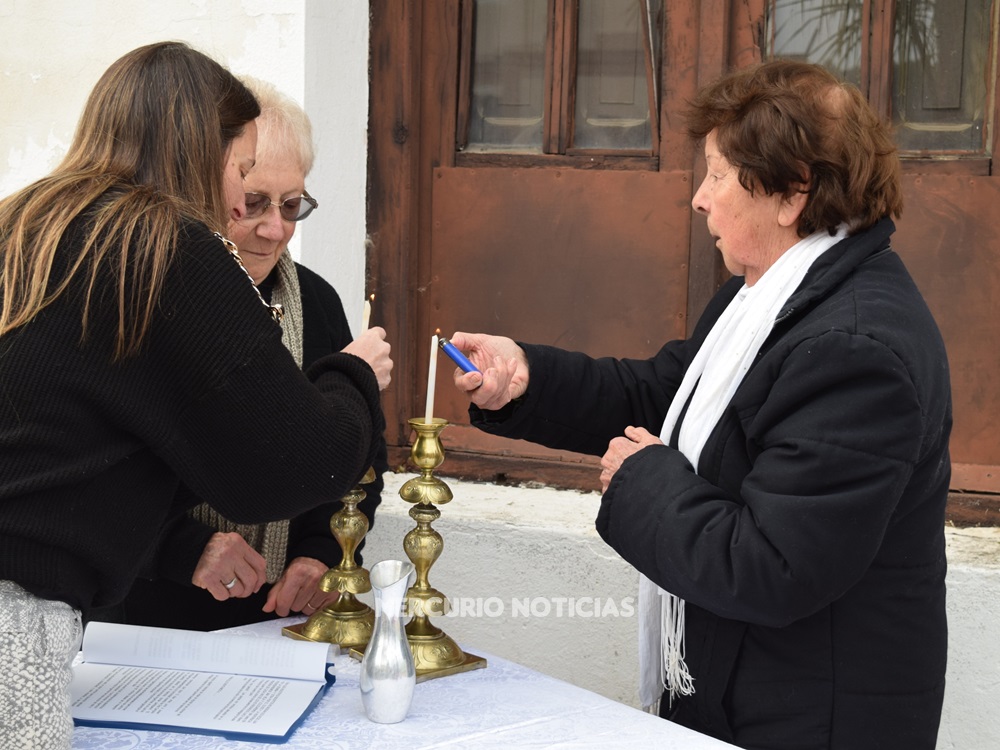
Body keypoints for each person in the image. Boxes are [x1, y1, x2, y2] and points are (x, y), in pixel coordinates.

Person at [448, 60, 950, 750]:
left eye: (717, 174)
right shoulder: (769, 296)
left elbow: (775, 567)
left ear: (792, 190)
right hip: (751, 699)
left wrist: (645, 481)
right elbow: (662, 395)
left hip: (815, 722)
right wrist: (526, 378)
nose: (699, 199)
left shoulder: (854, 347)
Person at [0, 42, 391, 748]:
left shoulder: (26, 223)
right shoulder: (165, 247)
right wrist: (353, 374)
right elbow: (287, 467)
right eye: (241, 170)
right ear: (197, 148)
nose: (241, 199)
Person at [93, 77, 388, 631]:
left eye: (292, 205)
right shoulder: (152, 295)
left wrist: (320, 551)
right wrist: (186, 548)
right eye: (253, 204)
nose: (275, 229)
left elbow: (357, 453)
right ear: (214, 189)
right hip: (143, 610)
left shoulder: (315, 301)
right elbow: (94, 471)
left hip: (273, 614)